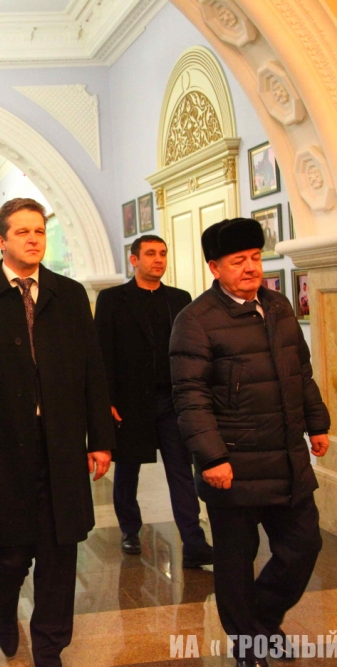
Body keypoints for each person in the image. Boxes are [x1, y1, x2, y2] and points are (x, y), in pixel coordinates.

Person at [0, 198, 114, 666]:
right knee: (10, 554)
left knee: (60, 552)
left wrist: (100, 439)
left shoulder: (69, 294)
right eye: (22, 232)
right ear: (1, 241)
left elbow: (92, 371)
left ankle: (50, 647)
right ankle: (3, 607)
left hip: (60, 444)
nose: (34, 239)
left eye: (39, 231)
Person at [170, 218, 331, 667]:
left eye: (256, 258)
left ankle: (261, 620)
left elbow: (301, 371)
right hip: (233, 464)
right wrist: (212, 457)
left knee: (304, 546)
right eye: (238, 261)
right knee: (236, 562)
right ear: (214, 268)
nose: (251, 268)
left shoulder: (278, 307)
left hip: (287, 458)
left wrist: (317, 423)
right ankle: (248, 642)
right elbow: (190, 396)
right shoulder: (195, 321)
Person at [94, 237, 213, 565]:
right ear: (134, 260)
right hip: (129, 401)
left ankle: (193, 541)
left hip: (171, 399)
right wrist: (106, 400)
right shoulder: (112, 299)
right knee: (127, 469)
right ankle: (130, 529)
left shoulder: (179, 298)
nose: (158, 259)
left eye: (162, 253)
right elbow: (101, 352)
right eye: (150, 254)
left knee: (181, 470)